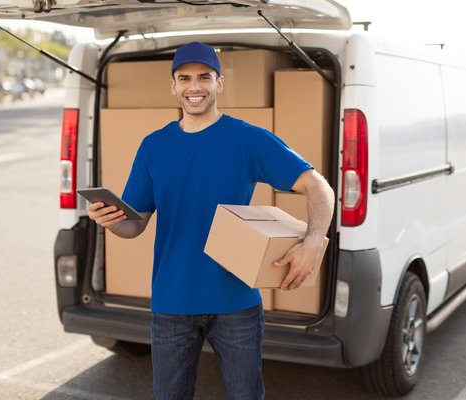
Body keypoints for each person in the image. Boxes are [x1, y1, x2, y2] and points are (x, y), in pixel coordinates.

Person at [88, 42, 334, 400]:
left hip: (235, 302)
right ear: (173, 87)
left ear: (219, 83)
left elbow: (318, 187)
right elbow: (135, 223)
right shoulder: (153, 146)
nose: (195, 86)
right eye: (184, 78)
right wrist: (111, 220)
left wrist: (313, 242)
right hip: (172, 301)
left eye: (205, 76)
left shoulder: (249, 140)